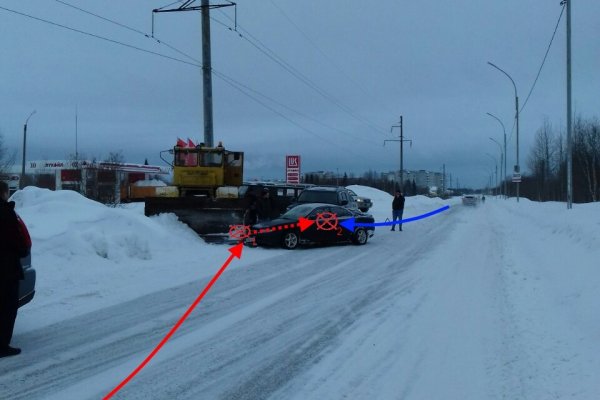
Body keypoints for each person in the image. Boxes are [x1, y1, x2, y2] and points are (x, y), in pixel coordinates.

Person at [0, 181, 30, 357]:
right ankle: (2, 345)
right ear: (3, 193)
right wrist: (22, 251)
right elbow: (17, 240)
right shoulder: (6, 213)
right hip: (6, 268)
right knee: (7, 307)